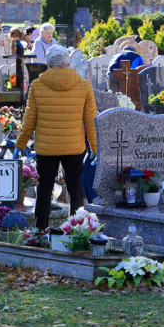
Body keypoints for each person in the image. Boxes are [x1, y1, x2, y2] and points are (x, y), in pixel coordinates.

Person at [15, 47, 98, 230]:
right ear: (68, 63)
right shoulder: (83, 85)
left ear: (49, 64)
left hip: (47, 147)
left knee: (44, 189)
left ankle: (40, 230)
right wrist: (94, 147)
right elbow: (91, 119)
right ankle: (76, 230)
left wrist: (20, 144)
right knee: (75, 190)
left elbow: (30, 119)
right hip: (73, 146)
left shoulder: (37, 85)